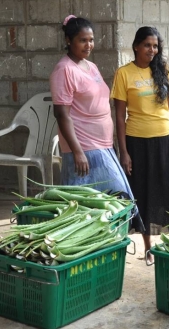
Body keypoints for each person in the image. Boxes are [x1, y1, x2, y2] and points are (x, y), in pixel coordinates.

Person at [111, 26, 169, 260]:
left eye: (155, 46)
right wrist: (124, 152)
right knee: (144, 193)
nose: (152, 50)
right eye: (147, 45)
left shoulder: (163, 71)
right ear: (136, 46)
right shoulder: (123, 74)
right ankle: (148, 246)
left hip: (164, 140)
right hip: (137, 142)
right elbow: (119, 117)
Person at [50, 15, 141, 231]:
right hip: (85, 148)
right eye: (83, 40)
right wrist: (77, 151)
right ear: (68, 40)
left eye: (91, 40)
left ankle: (104, 245)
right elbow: (62, 114)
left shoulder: (89, 66)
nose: (89, 45)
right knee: (105, 198)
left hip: (102, 145)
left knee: (102, 204)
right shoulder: (64, 70)